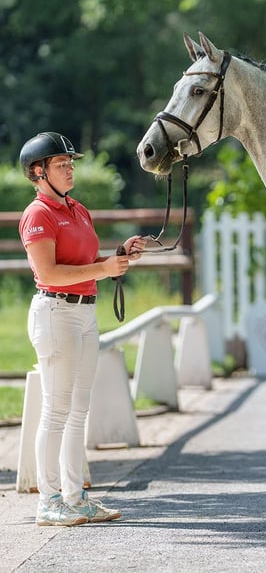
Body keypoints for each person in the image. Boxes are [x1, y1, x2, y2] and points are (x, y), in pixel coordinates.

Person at [18, 132, 146, 526]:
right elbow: (49, 273)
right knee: (56, 411)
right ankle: (48, 500)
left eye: (70, 162)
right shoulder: (37, 215)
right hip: (56, 314)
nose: (70, 168)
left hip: (85, 313)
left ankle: (74, 498)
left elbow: (87, 265)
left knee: (78, 411)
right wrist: (103, 269)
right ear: (38, 173)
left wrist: (119, 258)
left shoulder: (78, 209)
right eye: (61, 164)